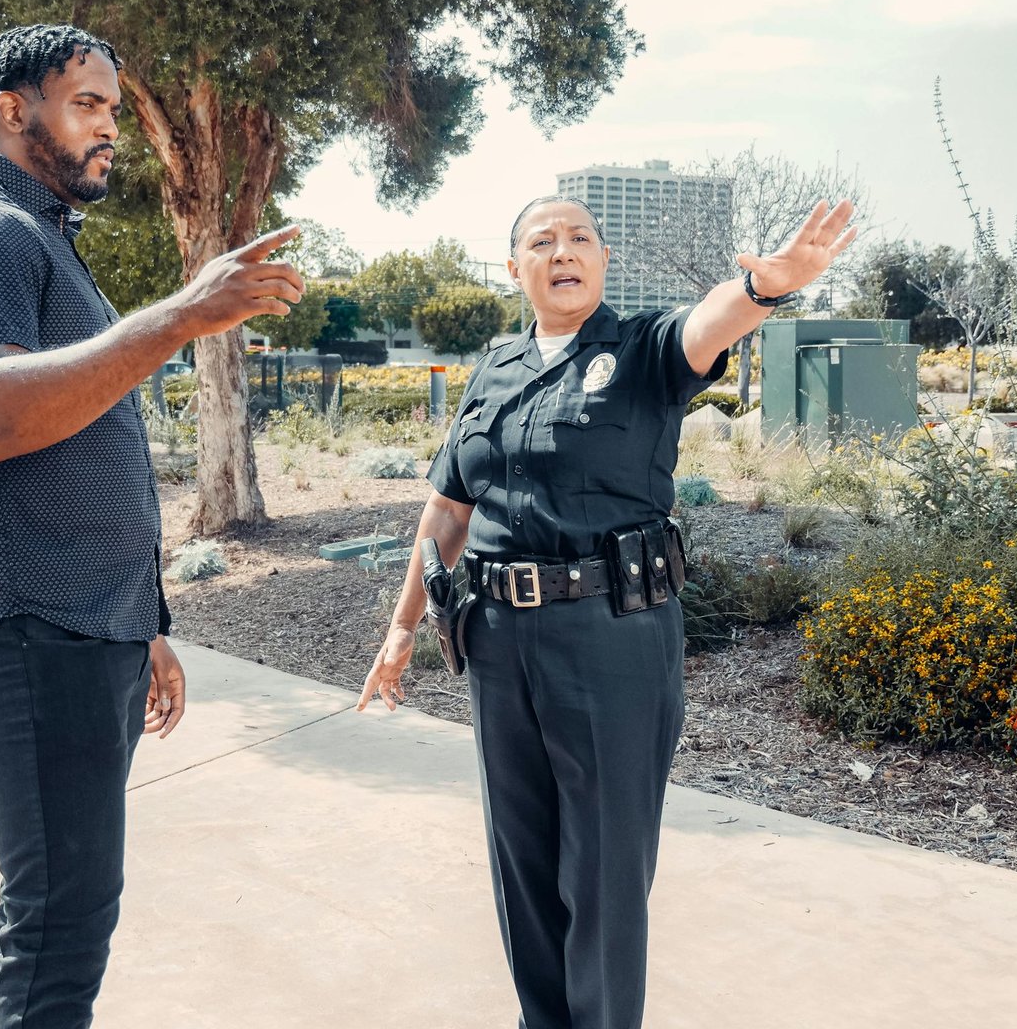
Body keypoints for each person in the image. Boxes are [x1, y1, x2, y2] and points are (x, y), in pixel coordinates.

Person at [0, 23, 304, 1028]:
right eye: (88, 104)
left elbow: (68, 439)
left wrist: (139, 621)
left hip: (79, 626)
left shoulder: (37, 239)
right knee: (58, 924)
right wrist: (177, 318)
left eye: (113, 106)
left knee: (64, 915)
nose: (111, 125)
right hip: (27, 628)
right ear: (13, 109)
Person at [358, 193, 855, 1029]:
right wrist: (403, 627)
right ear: (515, 266)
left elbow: (709, 326)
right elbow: (446, 509)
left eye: (581, 238)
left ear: (603, 260)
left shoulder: (643, 348)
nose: (564, 251)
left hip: (610, 636)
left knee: (602, 872)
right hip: (496, 636)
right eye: (542, 241)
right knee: (522, 859)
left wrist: (764, 289)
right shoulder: (494, 368)